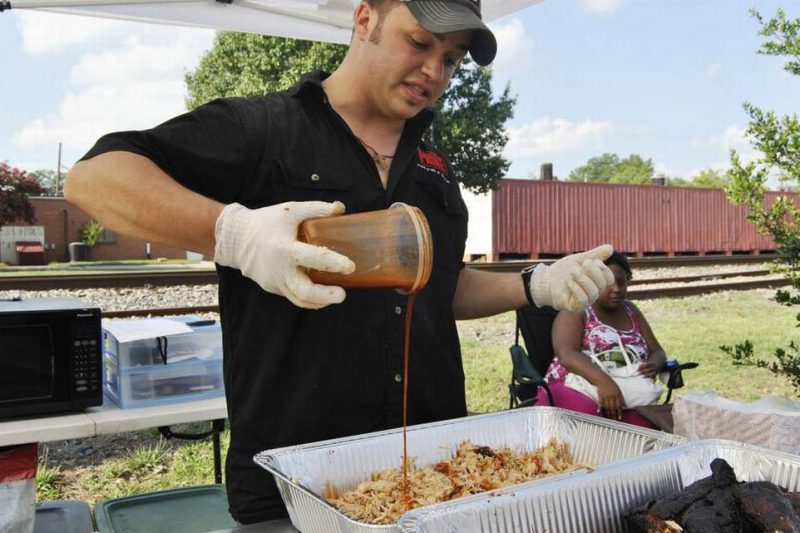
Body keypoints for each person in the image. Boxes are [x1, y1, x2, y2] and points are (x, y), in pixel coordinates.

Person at [64, 0, 615, 524]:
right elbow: (95, 178)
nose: (435, 71)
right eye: (419, 42)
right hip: (297, 484)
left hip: (438, 470)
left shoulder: (434, 167)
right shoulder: (264, 129)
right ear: (365, 18)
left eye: (451, 59)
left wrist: (537, 284)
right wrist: (235, 234)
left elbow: (441, 288)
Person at [537, 251, 668, 428]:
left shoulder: (631, 311)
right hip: (574, 384)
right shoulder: (577, 309)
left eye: (622, 282)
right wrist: (604, 383)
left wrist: (653, 364)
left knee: (645, 426)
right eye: (608, 283)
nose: (617, 289)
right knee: (592, 425)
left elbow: (657, 351)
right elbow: (566, 354)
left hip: (627, 388)